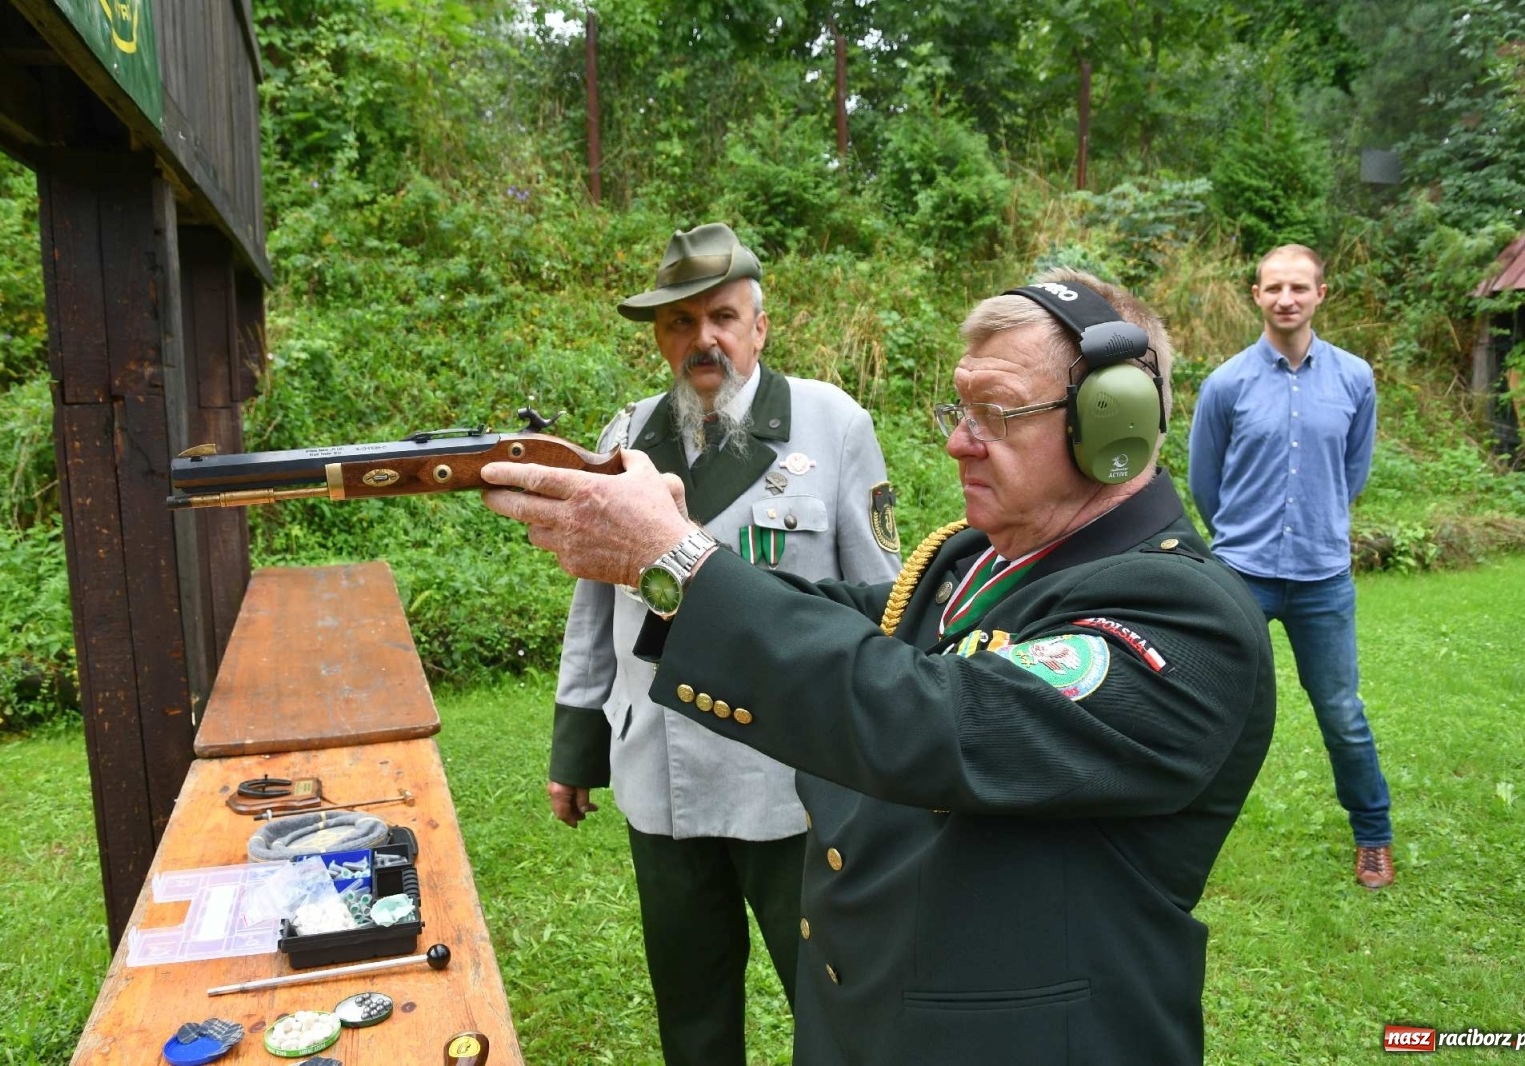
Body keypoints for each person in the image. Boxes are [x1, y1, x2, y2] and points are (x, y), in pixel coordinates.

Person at [486, 269, 1275, 1065]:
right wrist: (668, 551)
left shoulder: (1182, 615)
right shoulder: (979, 560)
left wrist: (678, 563)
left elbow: (931, 716)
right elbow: (827, 618)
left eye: (996, 413)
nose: (958, 439)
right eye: (960, 409)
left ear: (1114, 428)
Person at [549, 222, 901, 1066]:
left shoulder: (831, 423)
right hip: (660, 776)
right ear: (660, 338)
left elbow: (884, 599)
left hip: (789, 773)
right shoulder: (625, 436)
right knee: (692, 1004)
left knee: (830, 989)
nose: (703, 339)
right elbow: (593, 601)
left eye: (723, 318)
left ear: (759, 327)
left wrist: (882, 740)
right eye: (681, 323)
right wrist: (576, 742)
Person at [1187, 243, 1395, 890]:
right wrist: (1241, 536)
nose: (1286, 299)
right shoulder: (1227, 385)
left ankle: (1373, 835)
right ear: (1256, 295)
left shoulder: (1356, 379)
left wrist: (1316, 520)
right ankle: (1175, 828)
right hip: (1241, 575)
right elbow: (1205, 481)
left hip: (1322, 577)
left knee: (1340, 711)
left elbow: (1351, 473)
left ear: (1320, 295)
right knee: (1210, 707)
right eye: (1274, 287)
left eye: (1299, 288)